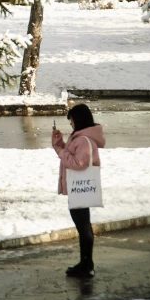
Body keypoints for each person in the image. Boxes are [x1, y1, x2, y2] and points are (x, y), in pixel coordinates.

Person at [52, 103, 105, 278]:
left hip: (80, 189)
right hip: (81, 189)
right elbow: (73, 156)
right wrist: (60, 145)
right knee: (84, 225)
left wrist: (60, 150)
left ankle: (86, 264)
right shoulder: (83, 138)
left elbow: (78, 163)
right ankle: (85, 263)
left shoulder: (83, 139)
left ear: (78, 120)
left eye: (72, 120)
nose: (70, 124)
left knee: (83, 227)